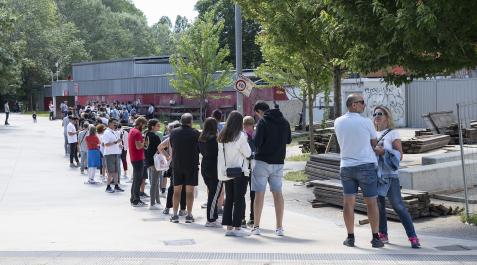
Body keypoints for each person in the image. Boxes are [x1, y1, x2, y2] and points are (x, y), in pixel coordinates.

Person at [334, 94, 384, 248]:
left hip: (346, 166)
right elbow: (374, 144)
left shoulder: (338, 121)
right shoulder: (366, 122)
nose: (364, 105)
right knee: (371, 202)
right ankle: (376, 238)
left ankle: (350, 238)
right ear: (353, 105)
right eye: (362, 102)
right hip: (366, 166)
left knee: (348, 203)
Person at [373, 106, 421, 248]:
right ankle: (383, 234)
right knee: (379, 207)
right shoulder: (371, 133)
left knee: (398, 206)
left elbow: (399, 155)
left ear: (387, 116)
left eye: (380, 113)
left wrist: (384, 152)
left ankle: (413, 237)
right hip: (376, 174)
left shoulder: (393, 133)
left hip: (390, 175)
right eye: (375, 113)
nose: (377, 116)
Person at [251, 101, 291, 237]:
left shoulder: (263, 122)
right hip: (279, 162)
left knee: (259, 194)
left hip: (262, 162)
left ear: (258, 111)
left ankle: (256, 227)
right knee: (277, 193)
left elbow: (256, 143)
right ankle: (279, 227)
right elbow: (289, 140)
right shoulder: (285, 122)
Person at [217, 111, 252, 237]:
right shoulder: (240, 136)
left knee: (229, 198)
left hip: (227, 171)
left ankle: (229, 228)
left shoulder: (222, 136)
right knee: (239, 199)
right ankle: (238, 228)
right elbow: (248, 153)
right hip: (240, 171)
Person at [168, 113, 200, 223]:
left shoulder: (174, 132)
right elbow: (199, 147)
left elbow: (171, 145)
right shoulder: (196, 133)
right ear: (191, 122)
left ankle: (175, 215)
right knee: (189, 192)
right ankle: (189, 215)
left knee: (176, 191)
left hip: (177, 165)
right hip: (191, 165)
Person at [159, 121, 187, 216]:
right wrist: (168, 156)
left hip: (173, 164)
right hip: (181, 164)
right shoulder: (183, 138)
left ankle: (167, 207)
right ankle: (182, 209)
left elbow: (160, 147)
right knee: (182, 188)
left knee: (172, 187)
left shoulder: (171, 138)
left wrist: (168, 156)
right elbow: (160, 147)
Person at [198, 117, 221, 228]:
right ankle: (211, 219)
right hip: (214, 167)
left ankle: (213, 217)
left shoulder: (201, 138)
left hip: (205, 165)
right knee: (214, 194)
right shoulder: (215, 139)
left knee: (212, 193)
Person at [129, 117, 148, 207]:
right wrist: (144, 143)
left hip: (134, 157)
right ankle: (136, 200)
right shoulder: (137, 132)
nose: (144, 127)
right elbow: (138, 146)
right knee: (138, 180)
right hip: (138, 158)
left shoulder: (132, 130)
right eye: (144, 125)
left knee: (136, 179)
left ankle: (133, 198)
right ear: (140, 123)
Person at [144, 119, 163, 210]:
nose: (159, 127)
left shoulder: (146, 135)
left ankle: (157, 201)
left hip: (148, 161)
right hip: (155, 162)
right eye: (158, 125)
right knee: (155, 183)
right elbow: (161, 148)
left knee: (154, 182)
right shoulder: (155, 137)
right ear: (152, 126)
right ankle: (152, 203)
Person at [102, 118, 124, 193]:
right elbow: (106, 144)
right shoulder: (106, 132)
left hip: (116, 153)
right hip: (109, 154)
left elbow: (114, 143)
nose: (115, 124)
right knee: (110, 171)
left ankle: (116, 185)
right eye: (114, 123)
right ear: (110, 123)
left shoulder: (113, 132)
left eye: (116, 123)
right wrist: (115, 142)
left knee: (116, 171)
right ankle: (108, 186)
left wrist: (119, 145)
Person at [242, 116, 256, 227]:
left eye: (249, 125)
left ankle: (253, 218)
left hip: (254, 167)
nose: (247, 127)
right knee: (242, 193)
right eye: (245, 125)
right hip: (244, 167)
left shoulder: (256, 135)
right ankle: (242, 217)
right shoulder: (242, 136)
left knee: (253, 194)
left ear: (253, 125)